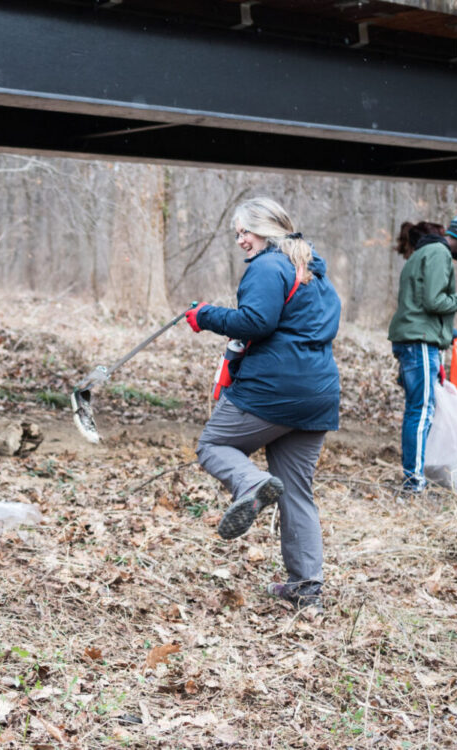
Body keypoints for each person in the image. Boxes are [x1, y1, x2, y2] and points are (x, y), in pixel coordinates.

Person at [185, 197, 341, 612]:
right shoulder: (312, 270)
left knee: (213, 446)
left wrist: (206, 316)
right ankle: (306, 589)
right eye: (237, 234)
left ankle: (250, 485)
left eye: (245, 232)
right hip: (317, 394)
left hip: (273, 390)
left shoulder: (269, 266)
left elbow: (256, 321)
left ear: (268, 229)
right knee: (296, 492)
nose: (240, 241)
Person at [387, 204, 457, 494]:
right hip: (418, 342)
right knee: (421, 412)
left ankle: (415, 476)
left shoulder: (422, 253)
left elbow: (418, 305)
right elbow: (435, 302)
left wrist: (444, 336)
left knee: (419, 409)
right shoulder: (440, 254)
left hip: (416, 340)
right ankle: (414, 483)